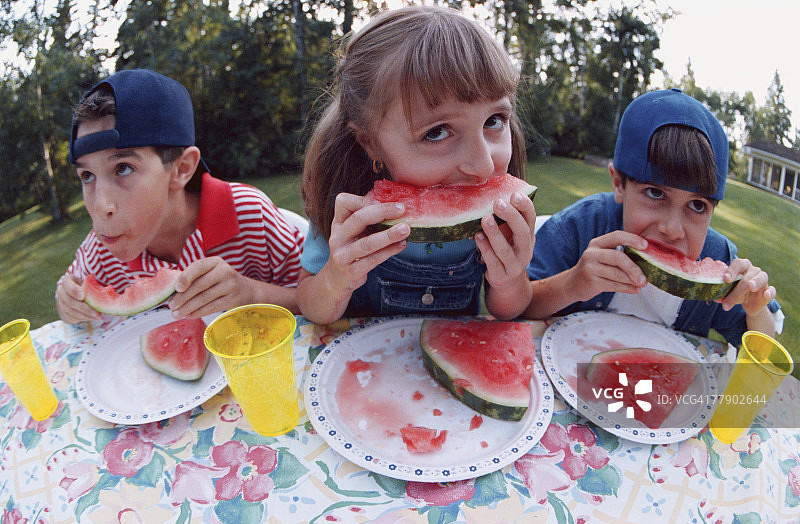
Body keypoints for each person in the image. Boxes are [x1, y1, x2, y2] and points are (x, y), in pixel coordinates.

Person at [297, 5, 536, 324]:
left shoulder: (501, 214)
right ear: (369, 142)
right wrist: (334, 279)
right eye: (437, 132)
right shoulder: (342, 211)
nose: (482, 165)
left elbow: (509, 309)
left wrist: (510, 278)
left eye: (495, 120)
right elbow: (312, 307)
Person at [524, 88, 782, 346]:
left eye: (698, 205)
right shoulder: (579, 228)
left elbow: (763, 351)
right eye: (655, 193)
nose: (672, 229)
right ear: (618, 184)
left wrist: (755, 309)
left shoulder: (719, 259)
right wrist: (571, 284)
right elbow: (517, 308)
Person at [56, 69, 304, 324]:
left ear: (181, 169)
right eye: (87, 175)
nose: (100, 206)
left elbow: (320, 297)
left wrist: (252, 292)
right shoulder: (102, 249)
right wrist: (66, 301)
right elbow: (67, 290)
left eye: (123, 168)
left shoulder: (250, 214)